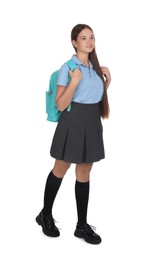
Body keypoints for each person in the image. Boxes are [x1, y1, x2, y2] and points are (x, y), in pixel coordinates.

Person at [36, 24, 111, 245]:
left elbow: (94, 99)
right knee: (61, 168)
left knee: (85, 172)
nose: (89, 41)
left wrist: (107, 83)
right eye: (84, 38)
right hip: (73, 122)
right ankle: (45, 215)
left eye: (92, 37)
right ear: (74, 42)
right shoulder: (67, 68)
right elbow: (60, 103)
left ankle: (81, 226)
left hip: (91, 122)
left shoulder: (95, 68)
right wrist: (74, 81)